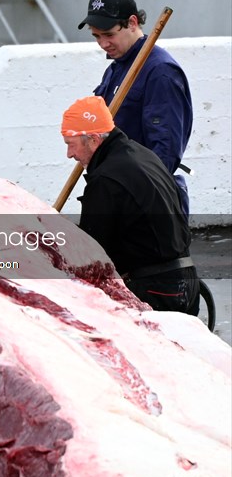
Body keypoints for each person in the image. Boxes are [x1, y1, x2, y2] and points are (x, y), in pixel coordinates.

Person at [61, 96, 199, 315]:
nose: (70, 154)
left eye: (71, 145)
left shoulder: (106, 179)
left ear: (94, 140)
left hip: (155, 289)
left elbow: (92, 252)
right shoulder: (142, 154)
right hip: (187, 279)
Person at [77, 0, 193, 216]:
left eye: (109, 34)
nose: (103, 44)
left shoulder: (160, 72)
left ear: (132, 22)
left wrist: (136, 198)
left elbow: (164, 152)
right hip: (117, 191)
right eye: (96, 36)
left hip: (144, 201)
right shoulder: (117, 67)